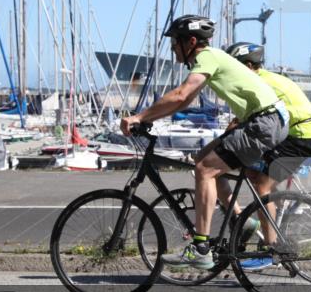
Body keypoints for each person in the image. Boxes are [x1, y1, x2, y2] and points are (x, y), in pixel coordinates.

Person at [120, 15, 287, 270]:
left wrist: (139, 117)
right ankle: (240, 219)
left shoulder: (206, 56)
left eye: (175, 43)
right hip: (263, 122)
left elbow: (181, 93)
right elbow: (184, 102)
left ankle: (200, 248)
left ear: (192, 42)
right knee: (201, 159)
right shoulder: (213, 58)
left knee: (204, 170)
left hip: (262, 123)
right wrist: (149, 118)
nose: (173, 48)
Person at [225, 42, 311, 270]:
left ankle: (271, 249)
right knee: (252, 173)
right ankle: (272, 216)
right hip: (297, 134)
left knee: (262, 184)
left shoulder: (259, 83)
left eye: (236, 67)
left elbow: (245, 120)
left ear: (249, 66)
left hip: (301, 136)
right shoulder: (267, 78)